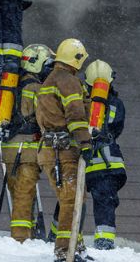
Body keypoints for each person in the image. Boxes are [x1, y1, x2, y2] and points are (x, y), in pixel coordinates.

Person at [36, 38, 92, 262]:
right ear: (76, 59)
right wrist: (85, 142)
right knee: (71, 202)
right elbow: (75, 115)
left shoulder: (48, 80)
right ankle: (64, 253)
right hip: (64, 151)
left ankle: (75, 250)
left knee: (71, 200)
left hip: (49, 151)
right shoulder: (68, 80)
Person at [0, 43, 54, 241]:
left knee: (18, 193)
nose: (49, 69)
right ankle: (21, 239)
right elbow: (45, 119)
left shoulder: (13, 85)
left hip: (9, 149)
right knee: (24, 193)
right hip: (28, 149)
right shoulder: (36, 88)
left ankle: (26, 233)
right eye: (47, 64)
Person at [83, 60, 127, 250]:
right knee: (106, 203)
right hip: (110, 163)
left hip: (85, 160)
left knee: (69, 199)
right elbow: (117, 128)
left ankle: (57, 235)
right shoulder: (117, 103)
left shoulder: (83, 101)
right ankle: (104, 240)